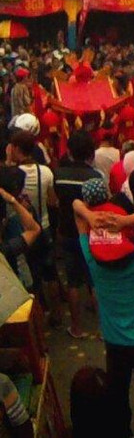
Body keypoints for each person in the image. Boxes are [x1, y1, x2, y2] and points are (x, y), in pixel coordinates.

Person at [73, 189, 134, 438]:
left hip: (115, 346)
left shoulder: (93, 261)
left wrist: (91, 216)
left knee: (118, 400)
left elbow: (76, 208)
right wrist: (125, 221)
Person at [9, 130, 60, 323]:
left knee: (30, 278)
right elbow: (53, 201)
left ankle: (36, 318)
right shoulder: (45, 172)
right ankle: (56, 314)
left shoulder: (12, 175)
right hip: (44, 226)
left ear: (15, 149)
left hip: (21, 231)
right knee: (50, 272)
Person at [53, 128, 99, 338]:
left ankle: (77, 327)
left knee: (73, 281)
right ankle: (102, 327)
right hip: (90, 234)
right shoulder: (95, 177)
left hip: (68, 233)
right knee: (94, 280)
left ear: (69, 150)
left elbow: (55, 201)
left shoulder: (59, 176)